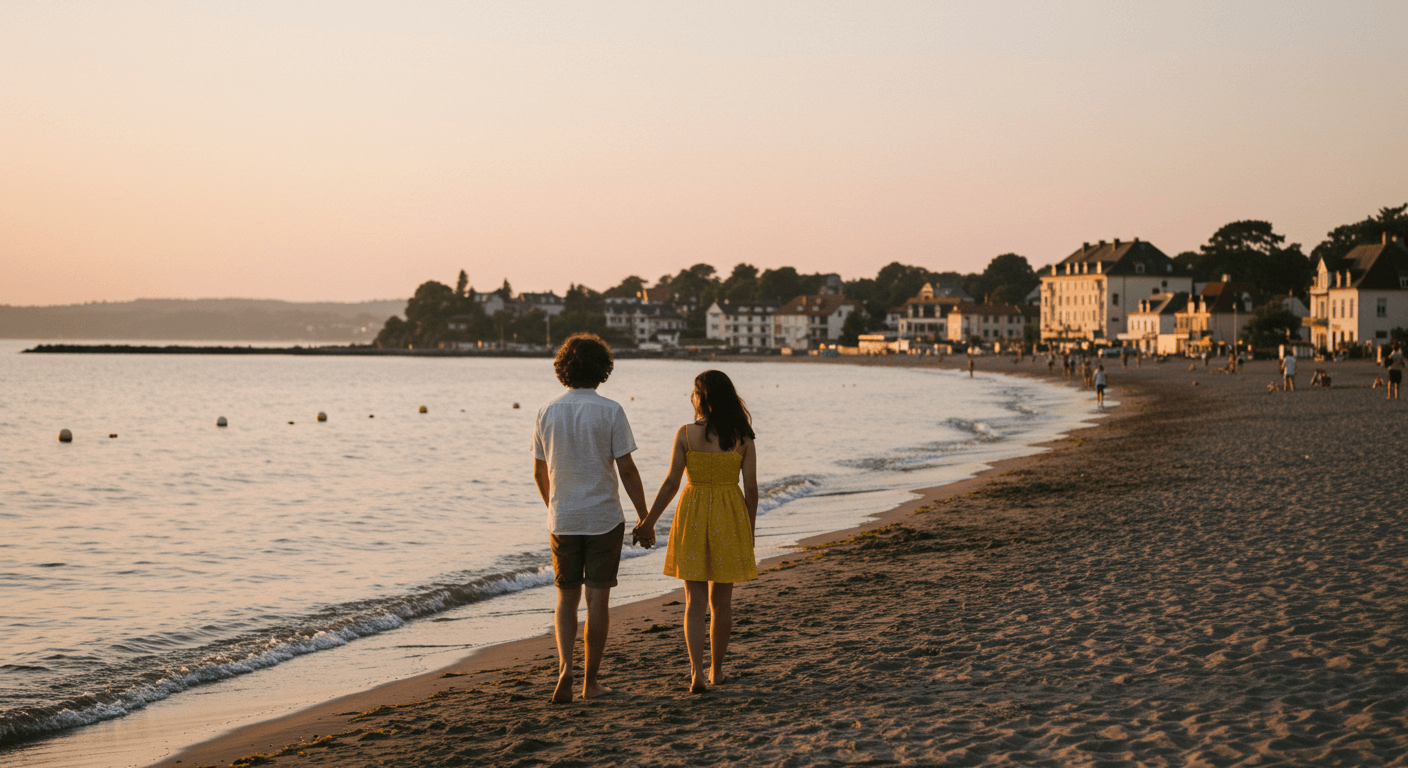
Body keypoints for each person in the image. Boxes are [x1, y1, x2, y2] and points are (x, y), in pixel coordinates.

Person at [532, 333, 650, 703]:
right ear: (603, 370)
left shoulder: (546, 411)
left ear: (563, 369)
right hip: (603, 518)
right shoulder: (610, 410)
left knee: (565, 599)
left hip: (562, 518)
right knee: (598, 601)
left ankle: (566, 665)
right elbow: (627, 470)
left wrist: (555, 505)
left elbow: (539, 472)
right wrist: (644, 516)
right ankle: (590, 681)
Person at [635, 370, 758, 694]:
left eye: (694, 391)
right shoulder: (743, 437)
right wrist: (750, 530)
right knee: (722, 602)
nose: (691, 396)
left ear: (701, 397)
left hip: (692, 513)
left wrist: (648, 521)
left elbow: (672, 483)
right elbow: (752, 489)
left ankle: (696, 674)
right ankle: (717, 671)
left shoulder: (686, 434)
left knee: (694, 602)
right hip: (730, 515)